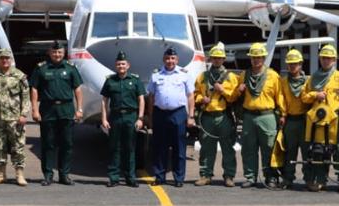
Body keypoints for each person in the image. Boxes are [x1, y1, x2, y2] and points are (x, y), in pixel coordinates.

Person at [301, 43, 339, 193]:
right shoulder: (313, 78)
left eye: (329, 58)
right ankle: (320, 180)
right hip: (318, 121)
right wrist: (315, 95)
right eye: (324, 58)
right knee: (319, 151)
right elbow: (304, 97)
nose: (326, 61)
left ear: (334, 60)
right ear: (320, 59)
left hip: (335, 119)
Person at [29, 40, 83, 185]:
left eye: (59, 52)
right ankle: (48, 175)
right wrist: (34, 110)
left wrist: (79, 109)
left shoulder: (71, 68)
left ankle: (64, 175)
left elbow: (77, 89)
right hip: (48, 110)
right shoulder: (41, 68)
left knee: (67, 144)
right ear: (49, 53)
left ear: (64, 53)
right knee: (48, 143)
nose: (57, 55)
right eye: (54, 52)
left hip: (66, 109)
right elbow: (34, 89)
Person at [146, 46, 195, 186]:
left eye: (172, 58)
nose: (170, 61)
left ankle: (179, 178)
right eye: (167, 58)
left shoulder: (184, 74)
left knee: (179, 147)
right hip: (160, 113)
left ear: (177, 59)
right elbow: (151, 96)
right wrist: (150, 116)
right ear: (163, 59)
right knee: (159, 147)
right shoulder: (156, 75)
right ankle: (159, 177)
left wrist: (191, 116)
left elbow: (191, 96)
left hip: (178, 113)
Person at [236, 42, 284, 188]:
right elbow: (236, 97)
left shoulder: (273, 76)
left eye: (259, 57)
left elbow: (280, 96)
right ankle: (250, 177)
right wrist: (239, 90)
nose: (256, 60)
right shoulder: (244, 75)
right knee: (248, 148)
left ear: (264, 58)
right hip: (249, 116)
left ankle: (271, 177)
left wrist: (283, 114)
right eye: (253, 57)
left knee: (269, 148)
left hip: (267, 115)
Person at [193, 42, 240, 187]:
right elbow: (195, 95)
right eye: (214, 58)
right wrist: (202, 99)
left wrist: (223, 91)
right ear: (210, 59)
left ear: (224, 60)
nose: (217, 60)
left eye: (219, 58)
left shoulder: (231, 77)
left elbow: (235, 97)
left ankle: (229, 176)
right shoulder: (202, 77)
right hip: (207, 116)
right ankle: (205, 175)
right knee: (206, 148)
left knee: (227, 148)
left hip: (223, 116)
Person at [0, 47, 31, 186]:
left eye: (7, 58)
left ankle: (19, 174)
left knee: (18, 146)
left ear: (11, 59)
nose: (5, 60)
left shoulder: (19, 76)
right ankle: (0, 174)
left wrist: (23, 114)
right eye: (2, 58)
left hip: (15, 119)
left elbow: (25, 97)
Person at [99, 51, 147, 187]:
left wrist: (140, 118)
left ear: (128, 65)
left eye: (123, 64)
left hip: (131, 117)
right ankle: (113, 177)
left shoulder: (135, 80)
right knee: (114, 147)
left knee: (130, 148)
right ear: (116, 65)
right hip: (115, 117)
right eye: (119, 64)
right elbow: (104, 101)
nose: (121, 66)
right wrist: (104, 119)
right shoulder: (110, 80)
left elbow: (141, 100)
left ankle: (130, 177)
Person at [276, 49, 309, 190]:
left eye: (295, 63)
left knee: (307, 151)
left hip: (305, 121)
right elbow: (281, 99)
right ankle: (288, 178)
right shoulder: (283, 82)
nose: (292, 66)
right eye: (290, 64)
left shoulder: (308, 81)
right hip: (290, 121)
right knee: (289, 151)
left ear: (301, 64)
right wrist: (283, 115)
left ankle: (309, 179)